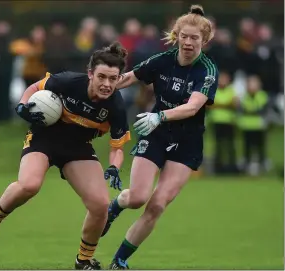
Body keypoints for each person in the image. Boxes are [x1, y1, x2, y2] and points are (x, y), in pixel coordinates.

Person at [0, 42, 131, 270]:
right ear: (90, 74)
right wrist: (21, 106)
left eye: (112, 79)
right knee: (29, 185)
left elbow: (117, 147)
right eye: (102, 77)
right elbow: (33, 89)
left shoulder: (116, 106)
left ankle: (83, 261)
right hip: (44, 138)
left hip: (77, 147)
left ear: (119, 79)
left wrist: (115, 167)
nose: (106, 84)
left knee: (100, 205)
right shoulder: (68, 81)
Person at [101, 5, 219, 269]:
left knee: (157, 206)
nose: (188, 43)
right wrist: (100, 87)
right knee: (138, 197)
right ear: (176, 35)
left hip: (187, 142)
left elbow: (193, 107)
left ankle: (119, 260)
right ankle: (116, 205)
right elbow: (128, 78)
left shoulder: (207, 70)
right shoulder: (162, 60)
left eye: (194, 38)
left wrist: (160, 115)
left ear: (204, 40)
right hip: (156, 134)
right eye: (184, 36)